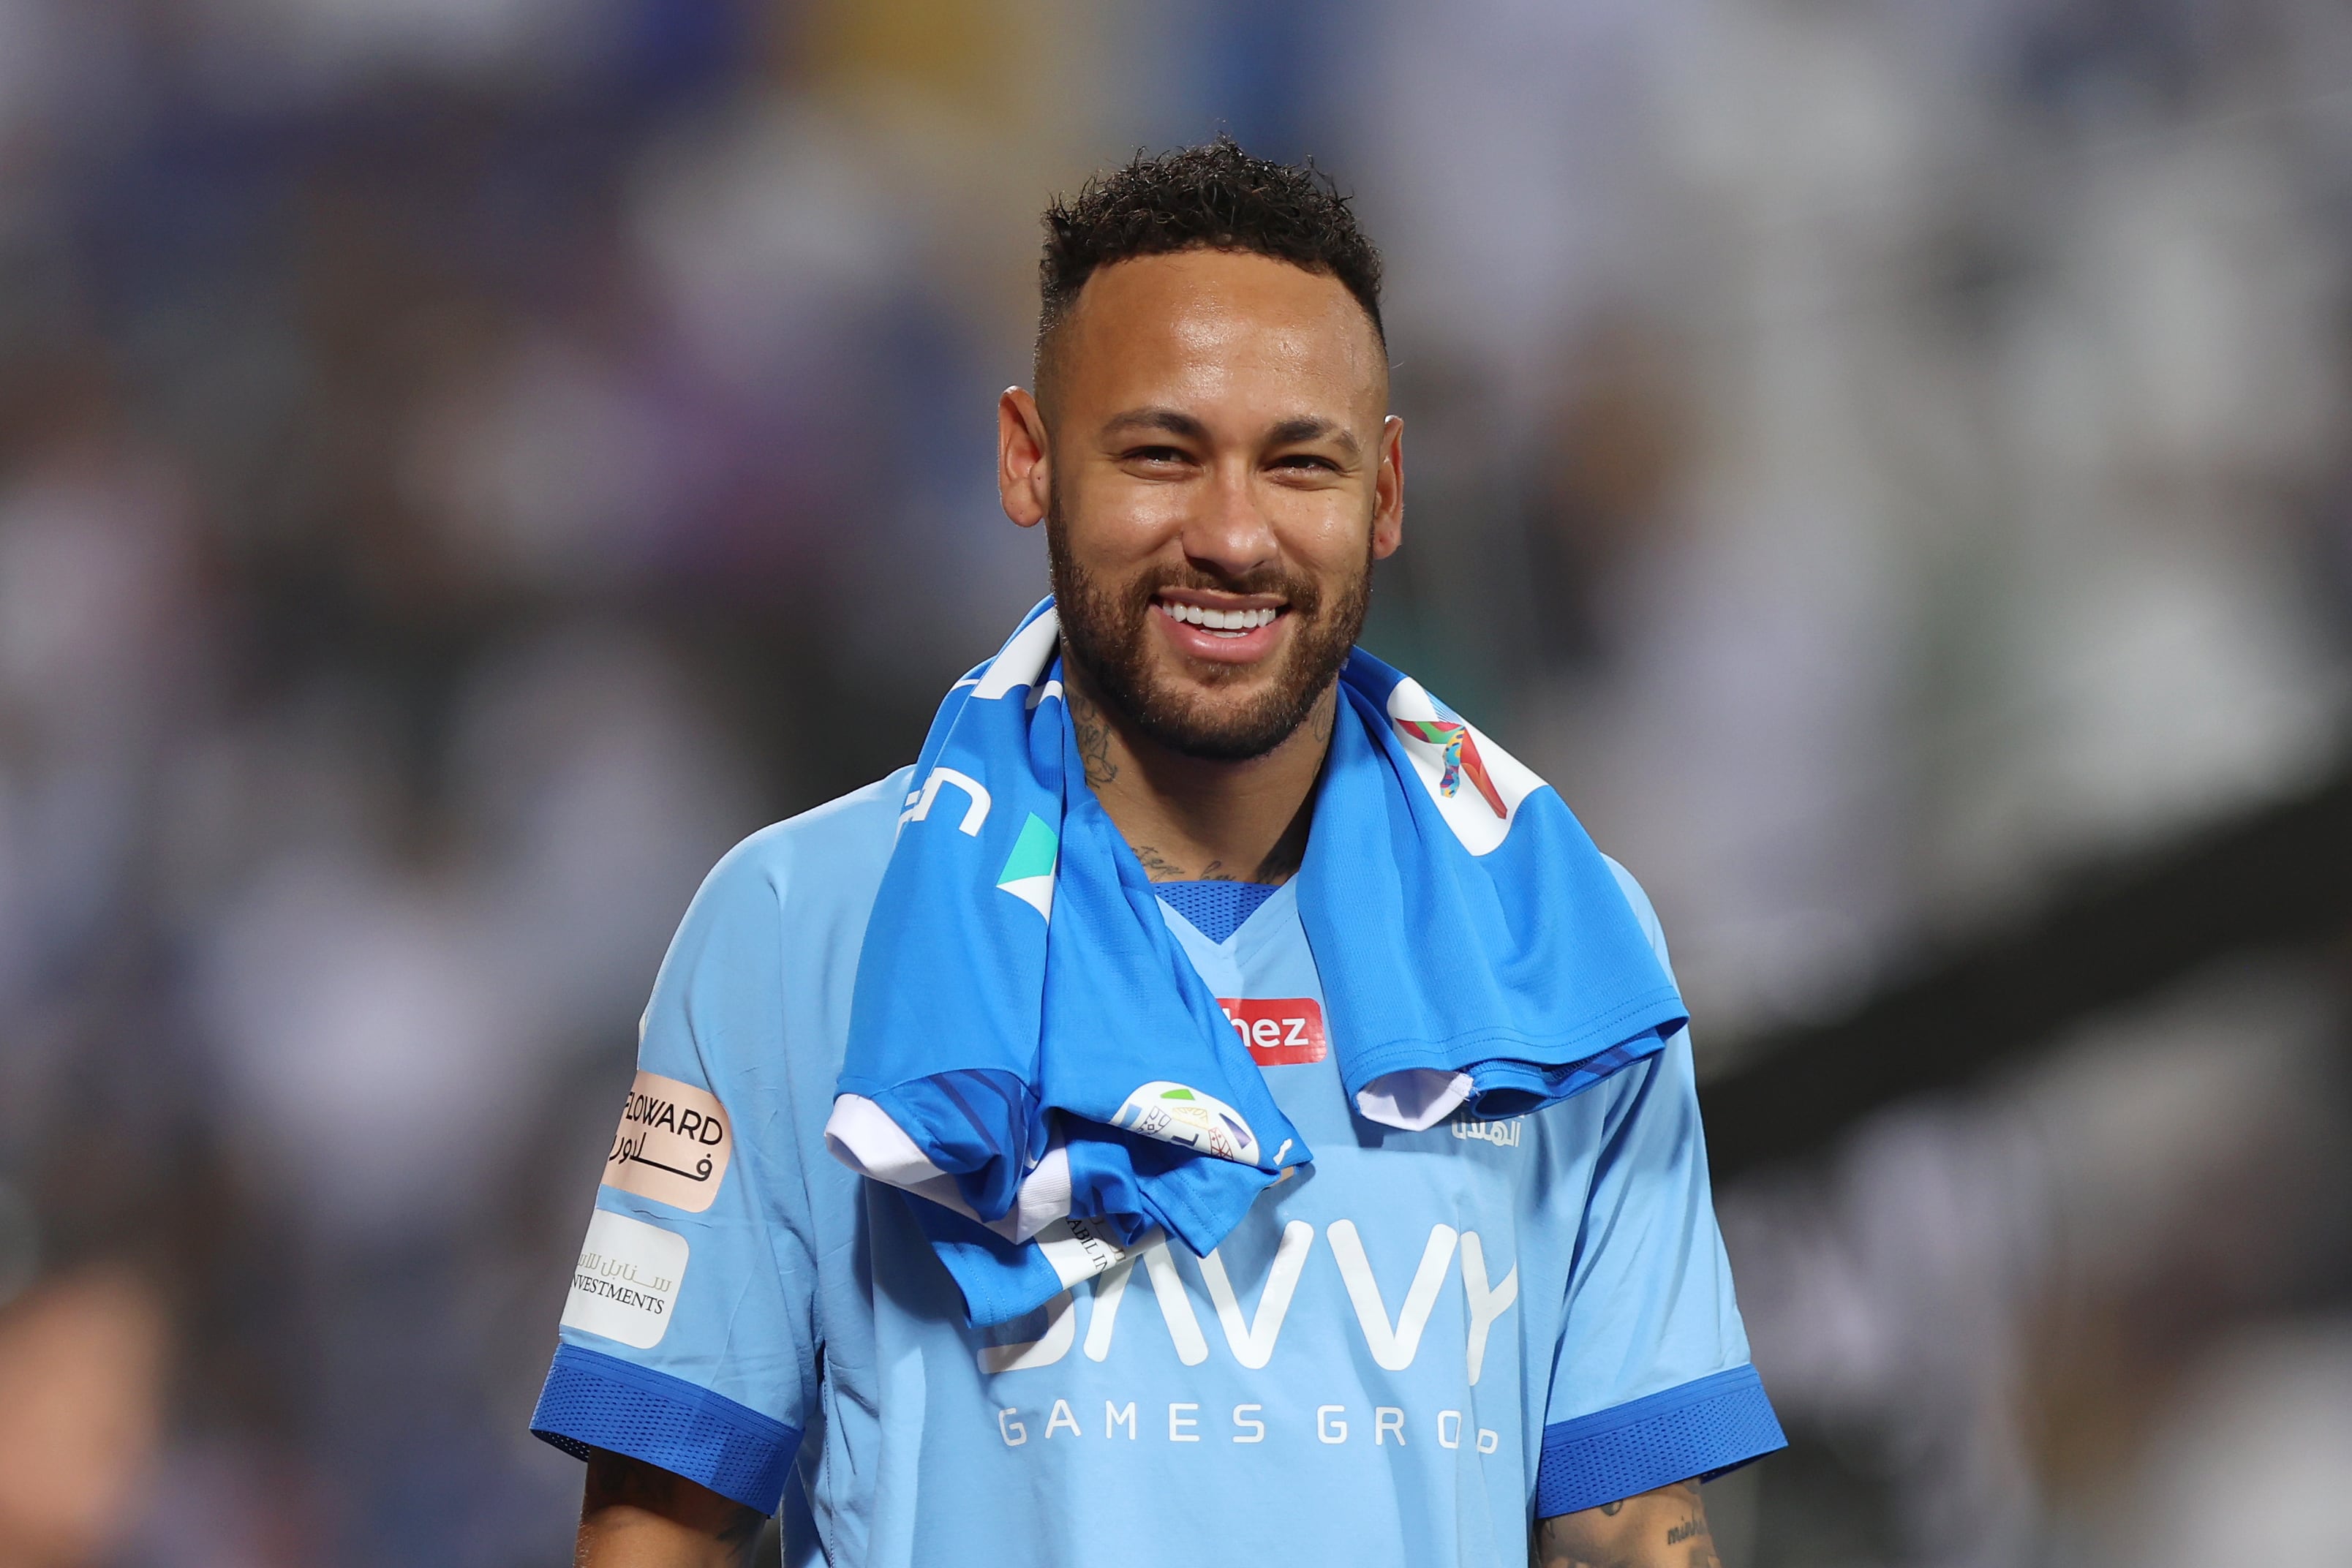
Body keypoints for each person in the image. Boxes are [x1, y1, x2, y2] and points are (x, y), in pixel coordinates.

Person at [530, 138, 1783, 1568]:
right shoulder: (795, 922)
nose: (1233, 535)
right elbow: (658, 1527)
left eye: (1298, 461)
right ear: (1029, 459)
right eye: (1161, 454)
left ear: (1384, 492)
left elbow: (1630, 1531)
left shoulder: (1567, 945)